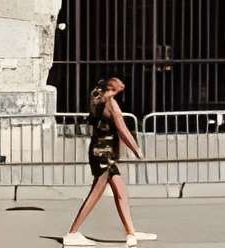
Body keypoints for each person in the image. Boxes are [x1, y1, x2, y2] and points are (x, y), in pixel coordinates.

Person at [57, 75, 154, 247]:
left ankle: (130, 232)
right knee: (95, 194)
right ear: (112, 87)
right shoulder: (111, 104)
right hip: (104, 155)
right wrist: (137, 150)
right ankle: (72, 232)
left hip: (99, 152)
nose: (123, 86)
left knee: (120, 192)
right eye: (119, 84)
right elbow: (123, 130)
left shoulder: (97, 100)